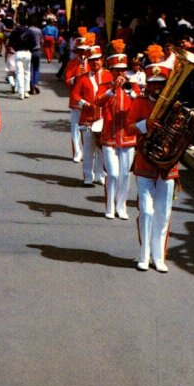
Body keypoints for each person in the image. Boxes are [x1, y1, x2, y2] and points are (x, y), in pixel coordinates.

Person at [125, 56, 179, 272]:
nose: (157, 87)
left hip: (168, 164)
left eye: (161, 83)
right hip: (145, 162)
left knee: (163, 212)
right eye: (154, 82)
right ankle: (144, 254)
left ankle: (159, 257)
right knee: (146, 211)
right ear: (147, 83)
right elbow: (128, 129)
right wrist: (144, 125)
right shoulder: (139, 102)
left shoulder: (175, 105)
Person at [95, 42, 137, 220]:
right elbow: (97, 102)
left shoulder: (131, 85)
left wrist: (131, 92)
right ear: (110, 70)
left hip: (127, 136)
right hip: (109, 136)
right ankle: (109, 206)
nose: (120, 73)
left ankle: (121, 206)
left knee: (125, 174)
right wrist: (113, 88)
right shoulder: (105, 86)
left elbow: (138, 105)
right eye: (116, 70)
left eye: (123, 70)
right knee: (112, 173)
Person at [71, 44, 111, 186]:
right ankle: (88, 176)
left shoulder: (109, 75)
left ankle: (100, 175)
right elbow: (75, 94)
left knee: (102, 150)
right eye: (92, 60)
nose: (95, 62)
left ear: (102, 60)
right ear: (89, 61)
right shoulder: (83, 78)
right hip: (88, 118)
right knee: (88, 149)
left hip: (104, 119)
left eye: (98, 59)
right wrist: (83, 103)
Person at [64, 30, 92, 162]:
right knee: (75, 126)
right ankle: (77, 152)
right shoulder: (72, 63)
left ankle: (88, 152)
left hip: (89, 100)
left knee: (88, 128)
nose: (82, 53)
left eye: (84, 50)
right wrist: (76, 78)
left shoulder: (93, 63)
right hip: (75, 100)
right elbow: (67, 80)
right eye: (80, 50)